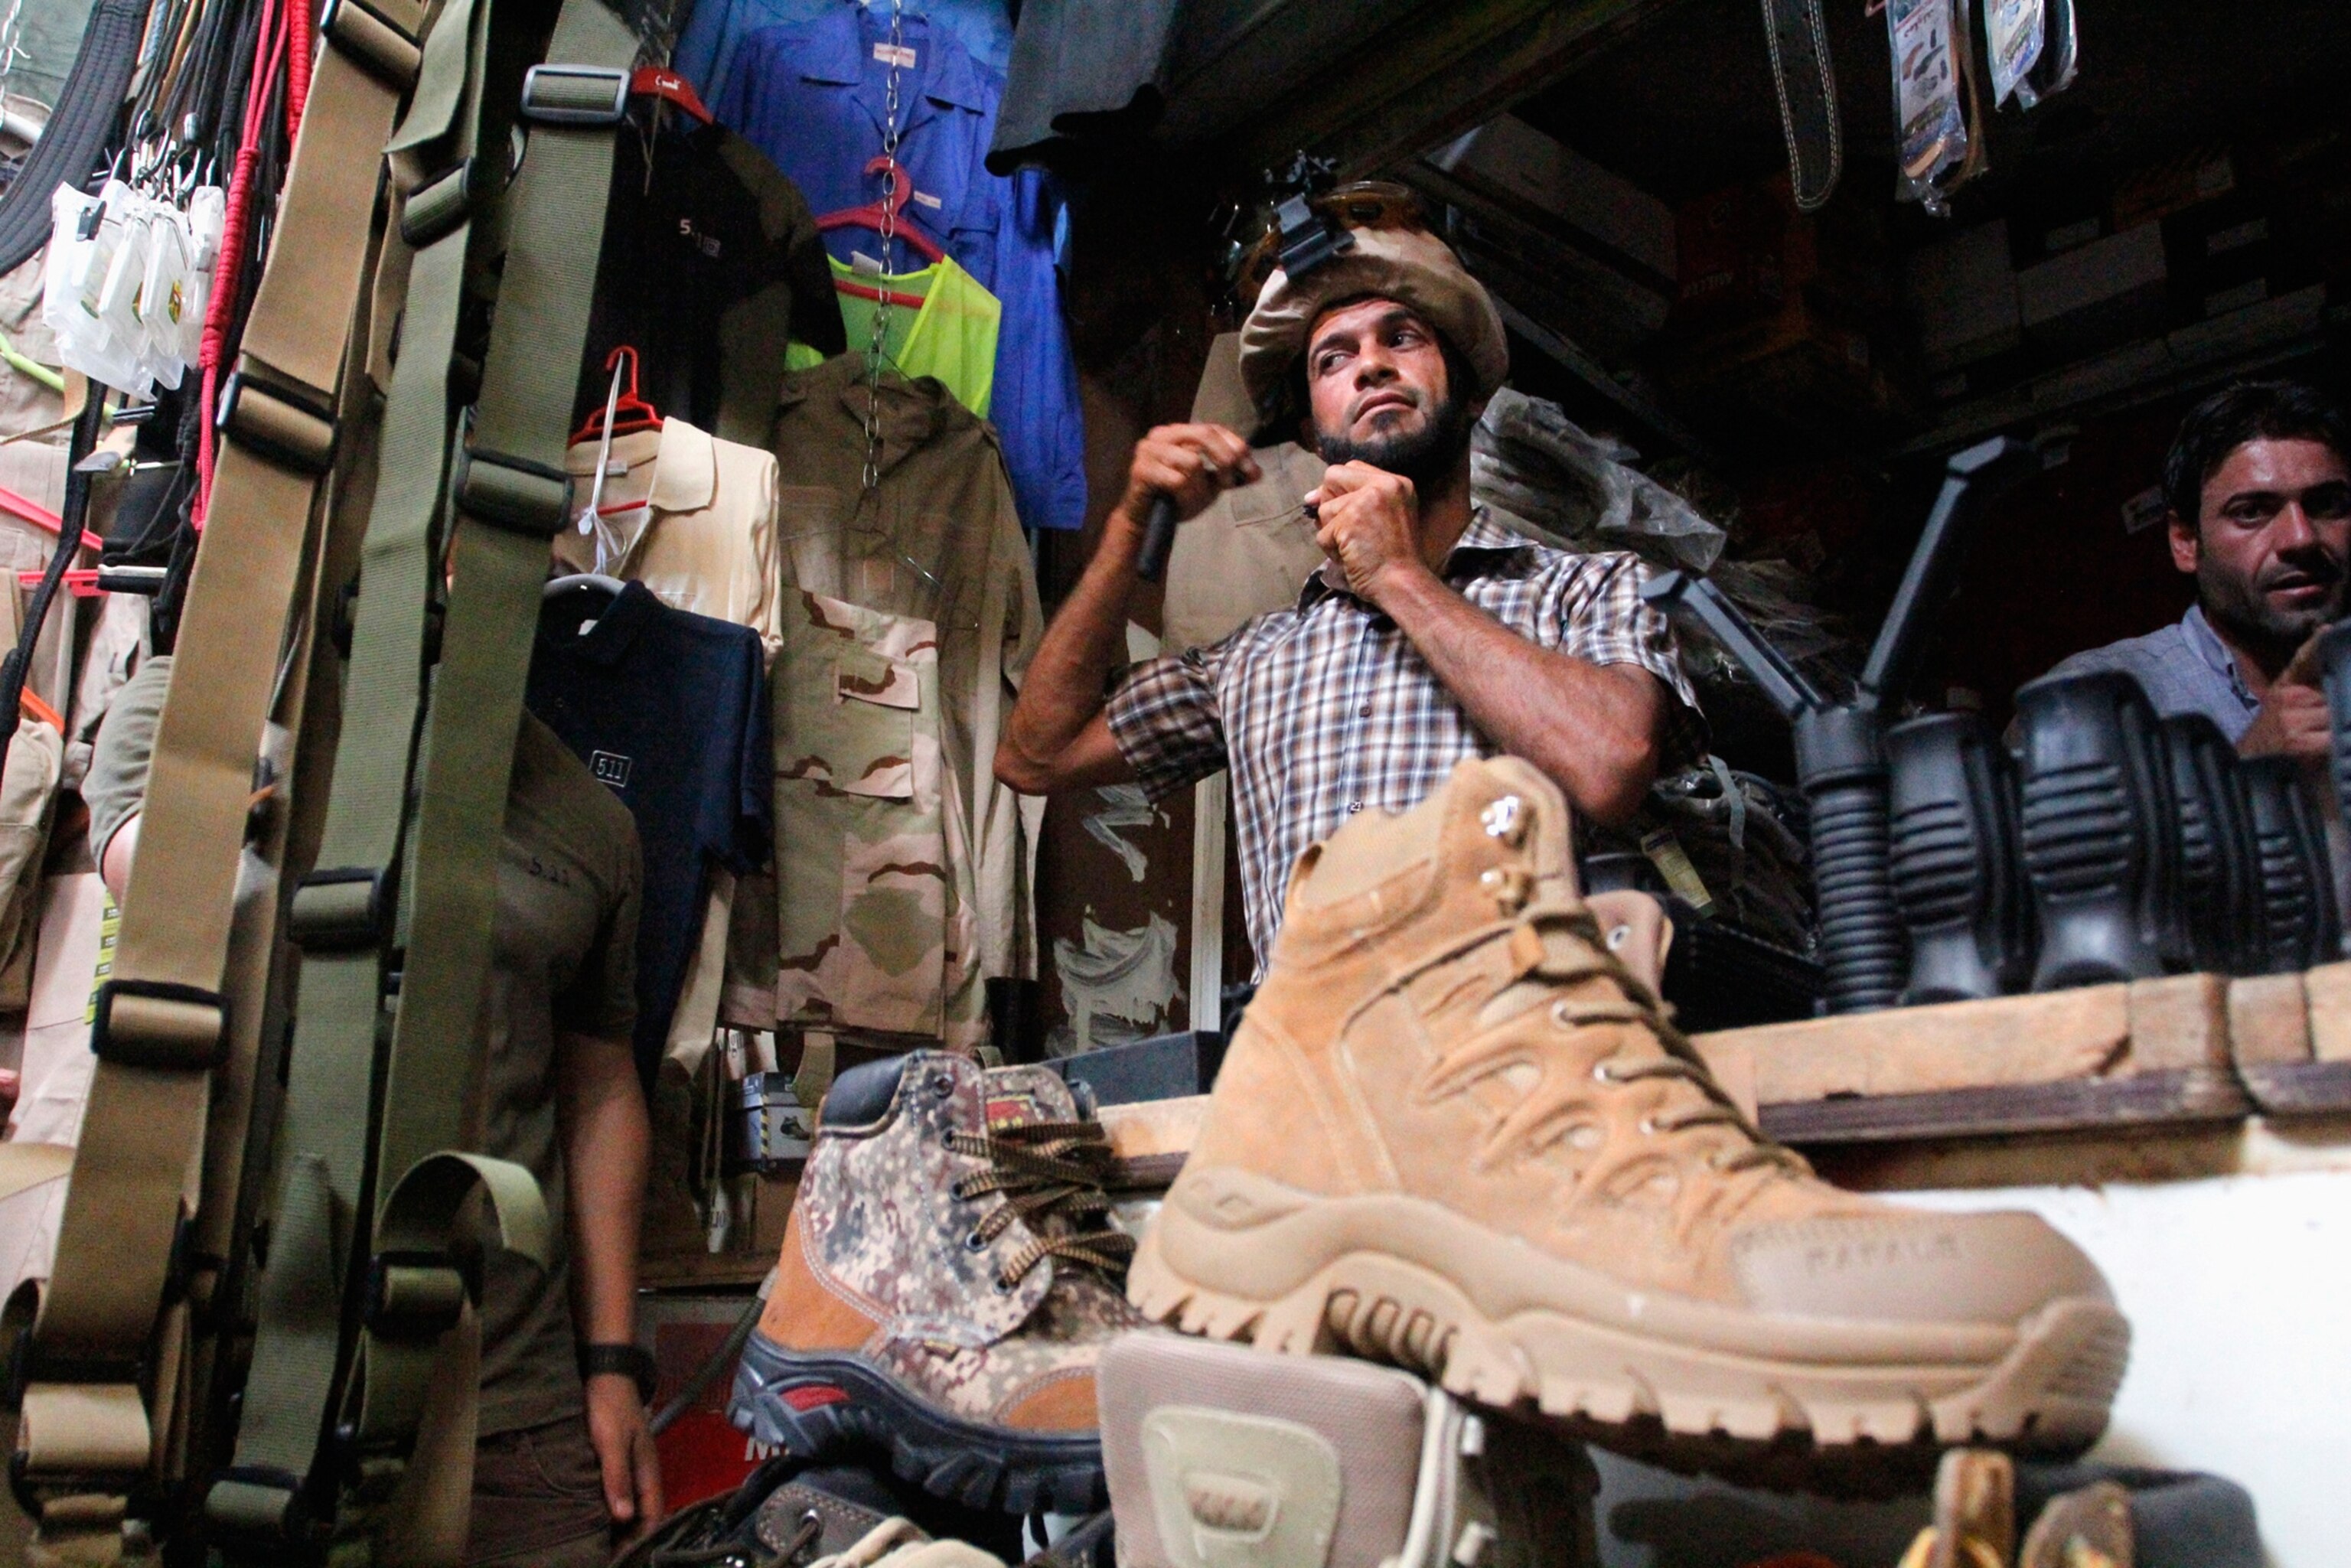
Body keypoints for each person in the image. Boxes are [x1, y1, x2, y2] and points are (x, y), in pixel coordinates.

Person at [994, 207, 1704, 970]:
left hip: (1517, 1070)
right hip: (1309, 1079)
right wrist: (1129, 529)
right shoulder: (1252, 663)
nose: (1369, 366)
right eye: (1332, 358)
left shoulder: (1585, 591)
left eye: (1402, 338)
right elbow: (1037, 755)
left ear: (1469, 393)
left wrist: (1395, 575)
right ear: (1310, 430)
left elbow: (1610, 768)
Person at [86, 658, 664, 1567]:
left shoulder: (586, 815)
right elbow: (168, 895)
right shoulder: (202, 695)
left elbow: (597, 1085)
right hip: (245, 1386)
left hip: (509, 1404)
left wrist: (612, 1363)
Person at [2041, 380, 2351, 758]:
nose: (2301, 538)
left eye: (2328, 504)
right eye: (2251, 512)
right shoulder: (2095, 699)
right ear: (2186, 542)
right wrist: (2256, 767)